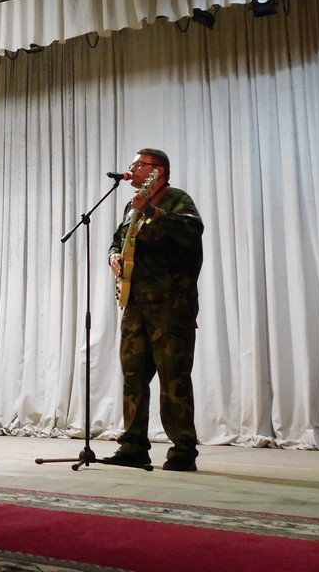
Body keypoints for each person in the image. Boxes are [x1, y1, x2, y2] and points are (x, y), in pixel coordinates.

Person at [105, 148, 203, 472]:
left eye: (138, 164)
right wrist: (113, 256)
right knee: (133, 376)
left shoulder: (176, 199)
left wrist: (153, 212)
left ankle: (183, 451)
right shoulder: (130, 206)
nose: (131, 168)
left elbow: (190, 232)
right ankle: (133, 446)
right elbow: (118, 240)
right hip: (135, 304)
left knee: (173, 377)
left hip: (170, 305)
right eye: (132, 164)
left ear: (157, 171)